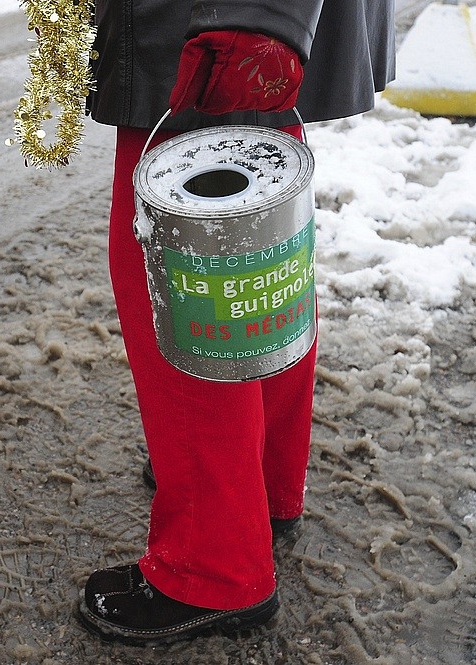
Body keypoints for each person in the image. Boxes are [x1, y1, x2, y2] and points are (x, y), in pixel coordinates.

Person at [78, 0, 396, 646]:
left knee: (179, 251)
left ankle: (212, 562)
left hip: (209, 12)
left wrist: (260, 11)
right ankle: (262, 487)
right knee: (262, 211)